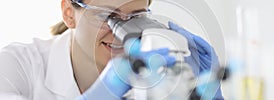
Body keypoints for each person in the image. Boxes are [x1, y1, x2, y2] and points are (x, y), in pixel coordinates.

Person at [0, 0, 223, 99]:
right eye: (107, 17)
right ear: (69, 13)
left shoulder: (153, 82)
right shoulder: (16, 66)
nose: (122, 32)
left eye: (136, 17)